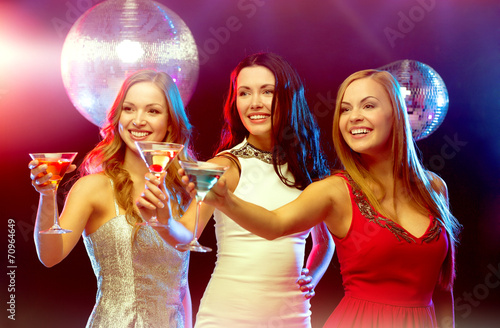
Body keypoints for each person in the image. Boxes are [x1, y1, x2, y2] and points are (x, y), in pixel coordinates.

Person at [202, 69, 462, 328]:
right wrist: (226, 201)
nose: (354, 117)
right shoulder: (334, 190)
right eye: (345, 110)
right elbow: (274, 224)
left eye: (368, 105)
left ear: (396, 113)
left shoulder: (435, 187)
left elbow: (442, 287)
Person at [138, 52, 335, 327]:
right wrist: (164, 220)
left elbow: (324, 242)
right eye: (244, 93)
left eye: (267, 92)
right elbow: (187, 233)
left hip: (294, 318)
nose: (254, 103)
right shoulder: (225, 166)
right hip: (228, 316)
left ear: (290, 98)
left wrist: (311, 276)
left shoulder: (308, 169)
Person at [30, 70, 195, 328]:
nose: (138, 120)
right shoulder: (92, 188)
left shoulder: (183, 192)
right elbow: (50, 256)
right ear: (118, 118)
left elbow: (181, 287)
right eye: (129, 109)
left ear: (171, 123)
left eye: (152, 111)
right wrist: (48, 194)